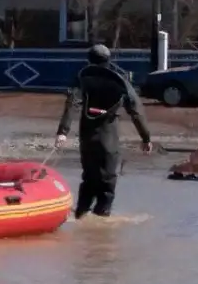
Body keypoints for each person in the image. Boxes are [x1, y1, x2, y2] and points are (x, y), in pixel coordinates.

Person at [55, 44, 153, 219]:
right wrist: (146, 138)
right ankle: (102, 219)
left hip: (87, 136)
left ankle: (81, 214)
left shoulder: (82, 78)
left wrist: (63, 132)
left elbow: (72, 104)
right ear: (108, 60)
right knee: (107, 179)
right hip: (109, 137)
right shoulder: (119, 80)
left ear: (89, 59)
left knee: (89, 178)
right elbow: (136, 110)